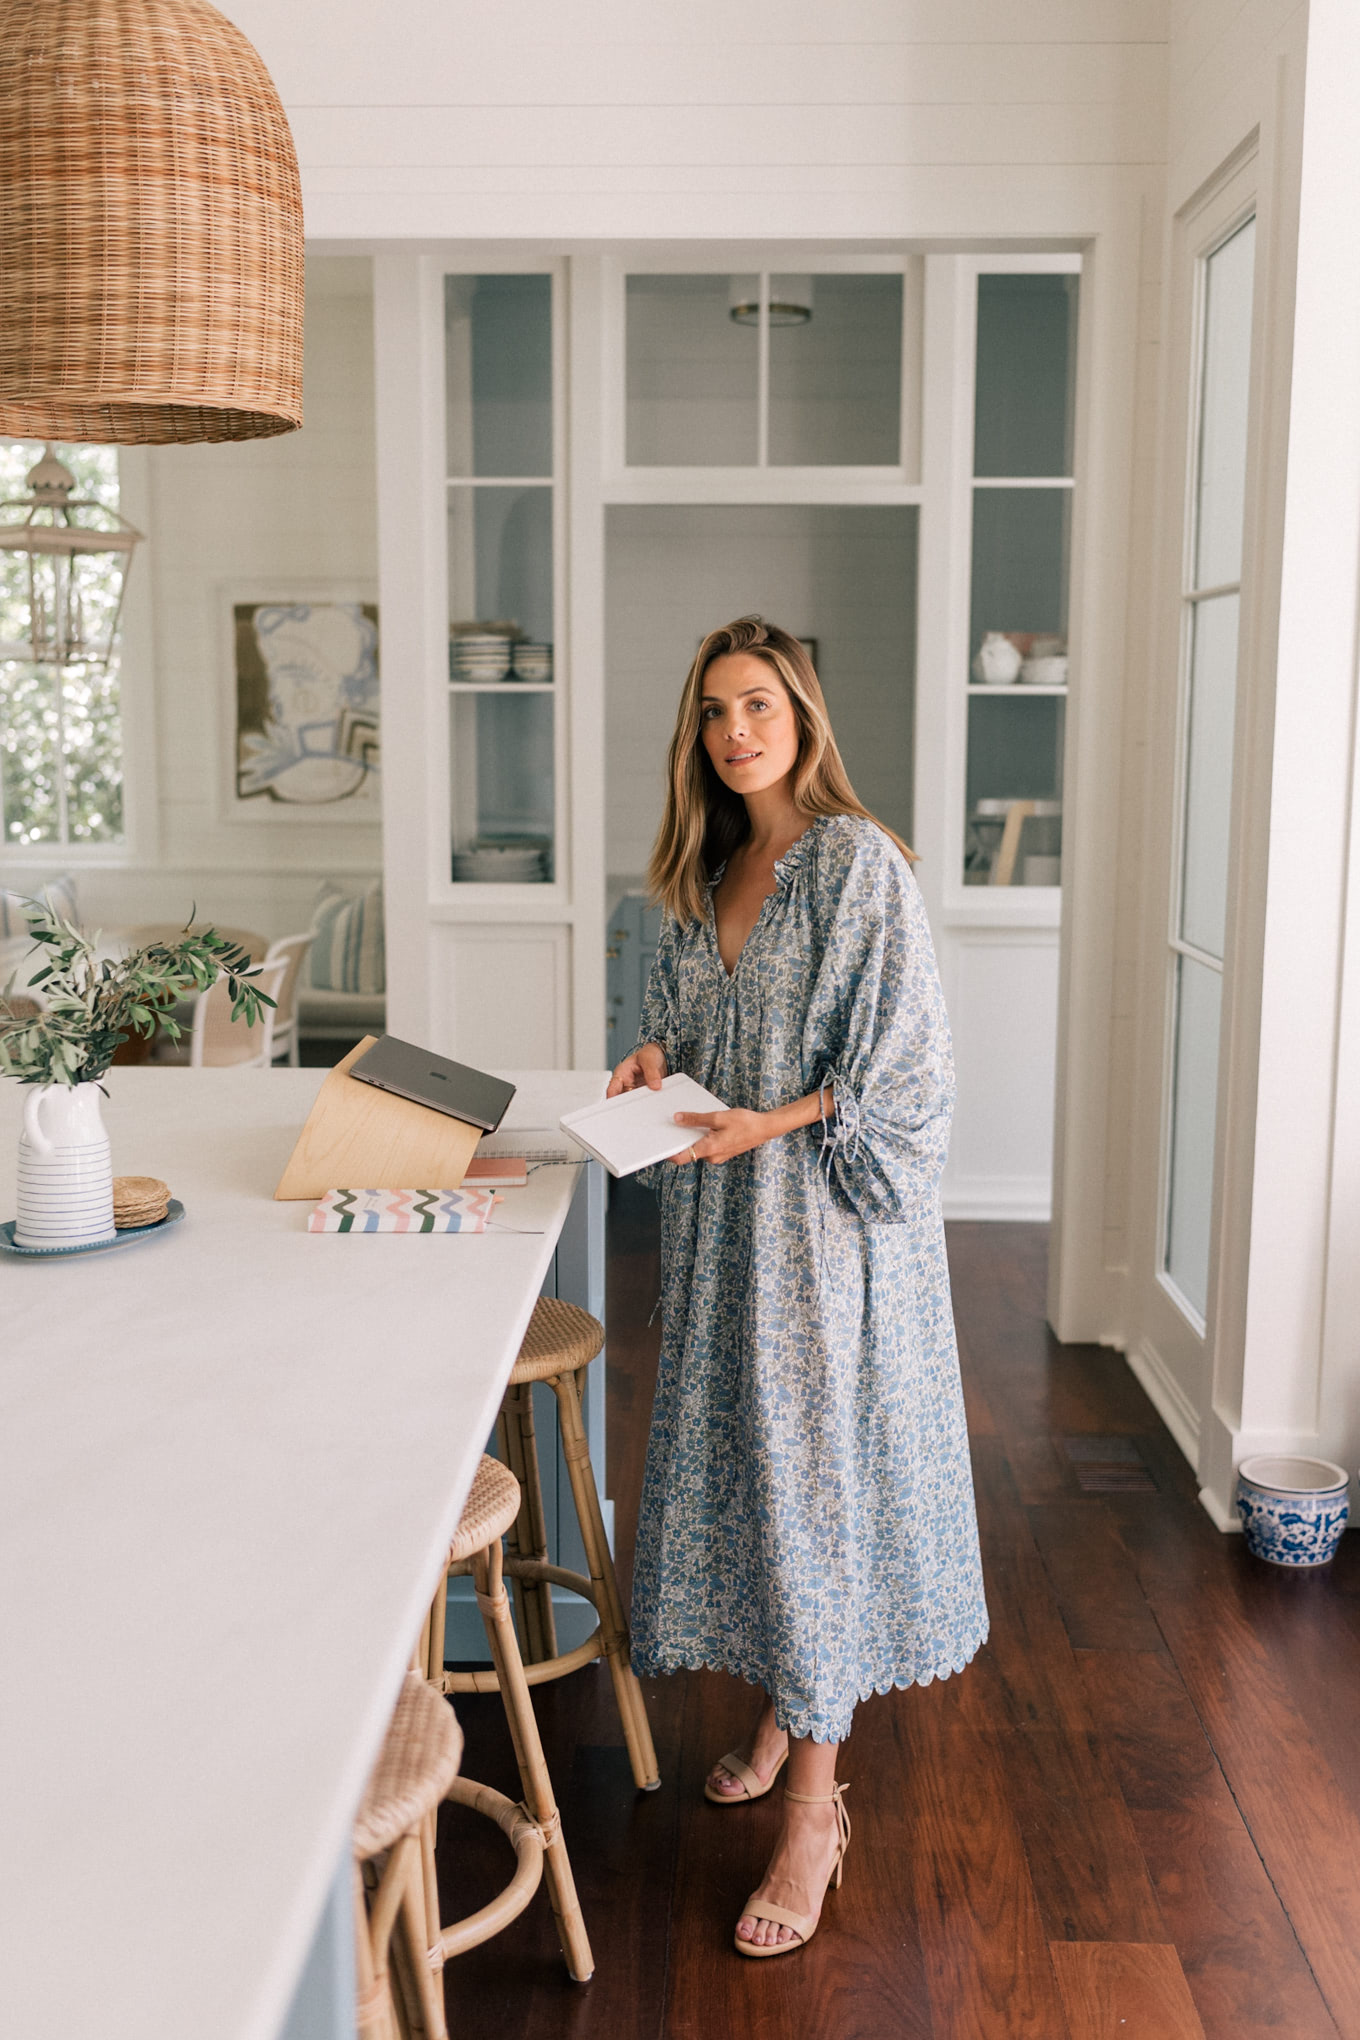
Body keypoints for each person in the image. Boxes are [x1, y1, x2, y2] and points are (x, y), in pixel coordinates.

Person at [607, 615, 988, 1958]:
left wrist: (773, 1123)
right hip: (725, 1243)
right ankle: (784, 1707)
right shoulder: (702, 869)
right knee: (756, 1482)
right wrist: (654, 1067)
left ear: (803, 716)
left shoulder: (856, 867)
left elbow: (911, 1079)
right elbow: (683, 1031)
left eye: (758, 705)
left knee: (818, 1500)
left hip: (825, 1251)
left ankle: (816, 1812)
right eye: (713, 711)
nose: (735, 732)